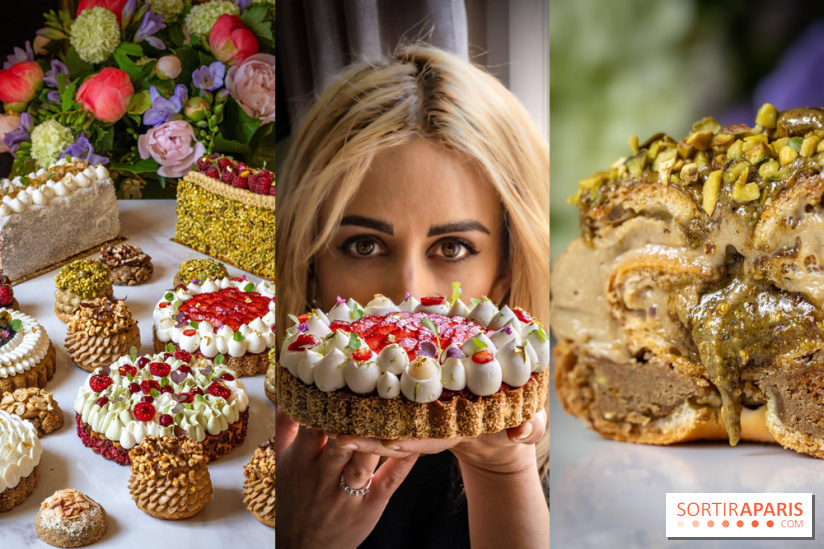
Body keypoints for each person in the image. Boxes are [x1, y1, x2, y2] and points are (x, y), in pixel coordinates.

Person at [276, 45, 549, 548]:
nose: (409, 295)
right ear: (310, 264)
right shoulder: (267, 454)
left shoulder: (566, 466)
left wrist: (504, 472)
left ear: (507, 269)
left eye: (452, 247)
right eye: (364, 245)